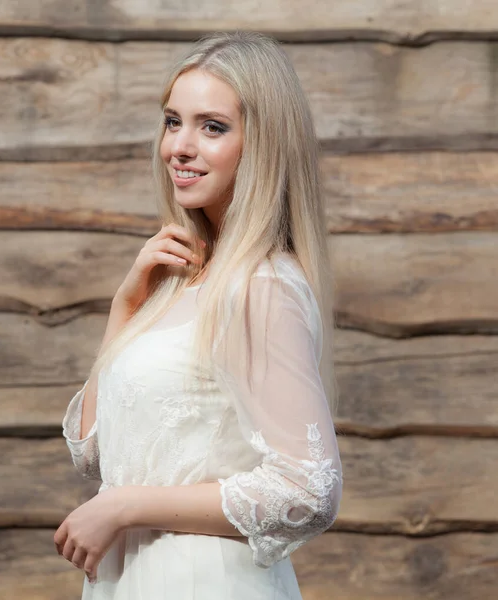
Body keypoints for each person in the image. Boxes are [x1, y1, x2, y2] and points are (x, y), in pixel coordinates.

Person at [55, 30, 343, 600]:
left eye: (212, 127)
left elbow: (310, 490)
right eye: (172, 121)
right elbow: (93, 453)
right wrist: (127, 308)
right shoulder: (180, 281)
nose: (179, 147)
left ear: (263, 144)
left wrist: (126, 506)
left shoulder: (261, 287)